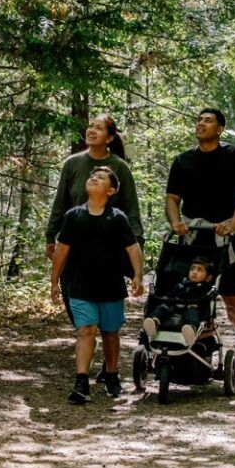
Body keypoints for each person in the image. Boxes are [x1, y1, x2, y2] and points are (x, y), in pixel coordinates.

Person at [164, 107, 235, 377]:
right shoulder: (182, 161)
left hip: (230, 235)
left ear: (220, 129)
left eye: (208, 121)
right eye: (199, 120)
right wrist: (175, 223)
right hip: (194, 235)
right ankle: (197, 353)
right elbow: (172, 198)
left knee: (233, 300)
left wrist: (233, 224)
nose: (201, 124)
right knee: (191, 295)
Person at [49, 165, 144, 404]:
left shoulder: (118, 218)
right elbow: (62, 250)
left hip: (111, 285)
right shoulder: (73, 216)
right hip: (79, 284)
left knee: (110, 332)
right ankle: (81, 381)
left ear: (110, 190)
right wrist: (54, 281)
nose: (93, 178)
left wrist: (138, 276)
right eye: (92, 175)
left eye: (100, 178)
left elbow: (133, 248)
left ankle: (112, 374)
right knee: (85, 330)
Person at [44, 113, 142, 276]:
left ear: (109, 138)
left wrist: (138, 244)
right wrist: (50, 235)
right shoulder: (72, 163)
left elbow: (132, 209)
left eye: (99, 128)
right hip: (74, 243)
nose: (92, 130)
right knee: (73, 294)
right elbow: (60, 202)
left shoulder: (120, 167)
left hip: (108, 246)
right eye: (90, 126)